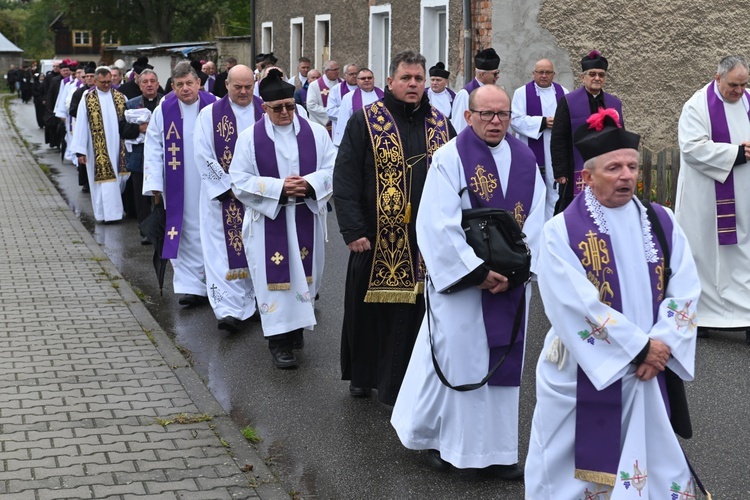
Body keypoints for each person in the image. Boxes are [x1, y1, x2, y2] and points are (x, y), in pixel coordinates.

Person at [525, 108, 701, 499]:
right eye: (614, 167)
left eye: (632, 166)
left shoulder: (663, 221)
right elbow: (573, 304)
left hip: (649, 369)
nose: (626, 175)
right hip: (587, 368)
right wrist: (639, 348)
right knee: (570, 474)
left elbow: (685, 288)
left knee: (651, 465)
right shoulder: (559, 232)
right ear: (586, 177)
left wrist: (661, 346)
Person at [391, 84, 545, 478]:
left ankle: (499, 452)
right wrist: (476, 273)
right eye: (487, 114)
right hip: (465, 288)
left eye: (503, 115)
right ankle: (453, 449)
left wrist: (520, 271)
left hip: (508, 286)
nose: (496, 122)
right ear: (468, 116)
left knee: (503, 365)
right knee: (462, 362)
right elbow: (437, 224)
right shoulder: (448, 159)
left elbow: (540, 221)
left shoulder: (526, 160)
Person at [334, 49, 454, 403]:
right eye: (406, 78)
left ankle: (404, 382)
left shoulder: (441, 124)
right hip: (374, 237)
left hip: (425, 242)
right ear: (391, 81)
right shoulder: (365, 120)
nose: (413, 84)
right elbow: (345, 178)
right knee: (368, 314)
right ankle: (363, 375)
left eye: (419, 78)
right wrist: (353, 230)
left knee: (415, 316)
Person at [230, 69, 336, 368]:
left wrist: (310, 184)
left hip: (305, 216)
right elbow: (238, 181)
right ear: (264, 108)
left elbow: (332, 167)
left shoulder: (315, 133)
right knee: (275, 283)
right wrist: (278, 188)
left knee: (305, 278)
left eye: (290, 106)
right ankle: (279, 342)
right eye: (278, 108)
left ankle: (297, 329)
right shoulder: (250, 138)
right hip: (269, 222)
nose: (286, 112)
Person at [677, 55, 750, 343]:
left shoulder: (748, 100)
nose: (739, 91)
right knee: (704, 254)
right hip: (706, 198)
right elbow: (691, 148)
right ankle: (704, 316)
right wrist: (737, 154)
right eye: (734, 84)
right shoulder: (696, 106)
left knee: (743, 252)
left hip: (744, 196)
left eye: (744, 84)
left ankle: (745, 315)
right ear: (717, 78)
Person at [193, 64, 265, 332]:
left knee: (258, 250)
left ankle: (257, 303)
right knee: (223, 252)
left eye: (249, 86)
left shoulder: (265, 110)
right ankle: (229, 310)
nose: (244, 91)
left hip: (259, 197)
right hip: (224, 197)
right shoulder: (209, 114)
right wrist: (228, 187)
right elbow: (202, 153)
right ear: (227, 85)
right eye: (238, 87)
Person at [143, 61, 217, 308]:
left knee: (213, 229)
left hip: (212, 181)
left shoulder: (216, 105)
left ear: (199, 83)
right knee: (181, 231)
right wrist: (154, 182)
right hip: (179, 183)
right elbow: (153, 147)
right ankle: (191, 287)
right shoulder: (164, 110)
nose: (185, 89)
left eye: (189, 83)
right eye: (179, 85)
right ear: (172, 88)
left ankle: (216, 284)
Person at [550, 50, 623, 211]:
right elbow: (558, 138)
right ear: (583, 77)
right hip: (573, 168)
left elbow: (620, 138)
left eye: (601, 75)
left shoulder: (614, 104)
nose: (597, 78)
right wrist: (560, 171)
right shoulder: (568, 102)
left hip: (605, 169)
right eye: (592, 74)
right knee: (573, 212)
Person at [511, 58, 569, 220]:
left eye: (548, 72)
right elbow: (515, 121)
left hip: (556, 152)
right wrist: (543, 122)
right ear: (533, 73)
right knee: (534, 193)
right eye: (540, 72)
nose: (544, 75)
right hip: (531, 151)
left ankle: (552, 228)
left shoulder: (564, 93)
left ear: (553, 74)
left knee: (554, 192)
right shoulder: (521, 93)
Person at [71, 66, 129, 222]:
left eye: (109, 81)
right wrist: (80, 151)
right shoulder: (88, 99)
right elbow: (81, 125)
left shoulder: (120, 97)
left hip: (118, 146)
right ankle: (103, 214)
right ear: (95, 81)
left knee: (117, 180)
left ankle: (117, 213)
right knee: (102, 183)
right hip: (95, 148)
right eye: (103, 82)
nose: (106, 85)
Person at [119, 68, 163, 241]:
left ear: (158, 84)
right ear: (139, 85)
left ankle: (163, 229)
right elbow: (122, 129)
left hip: (162, 157)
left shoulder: (165, 102)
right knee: (141, 197)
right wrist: (139, 128)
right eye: (145, 82)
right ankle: (146, 231)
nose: (149, 85)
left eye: (152, 81)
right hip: (139, 158)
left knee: (162, 194)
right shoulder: (131, 105)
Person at [451, 48, 500, 133]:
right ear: (482, 74)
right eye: (495, 74)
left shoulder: (495, 92)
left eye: (498, 73)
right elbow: (459, 128)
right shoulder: (465, 95)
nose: (497, 77)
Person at [331, 68, 383, 147]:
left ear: (374, 79)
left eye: (369, 78)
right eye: (363, 78)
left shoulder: (384, 94)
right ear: (357, 81)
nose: (366, 80)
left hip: (381, 138)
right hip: (359, 140)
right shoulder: (348, 98)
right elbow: (343, 121)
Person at [69, 63, 97, 193]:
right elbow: (72, 109)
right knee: (84, 153)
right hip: (84, 127)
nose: (90, 79)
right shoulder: (79, 93)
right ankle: (85, 182)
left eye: (92, 76)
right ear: (84, 78)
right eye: (87, 76)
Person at [306, 60, 341, 131]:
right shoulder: (314, 85)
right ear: (326, 71)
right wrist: (332, 112)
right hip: (321, 125)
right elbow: (311, 105)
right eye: (334, 70)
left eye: (338, 69)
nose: (337, 72)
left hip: (339, 124)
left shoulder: (343, 84)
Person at [326, 63, 358, 136]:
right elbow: (330, 111)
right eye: (351, 74)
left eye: (356, 73)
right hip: (342, 129)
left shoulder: (363, 88)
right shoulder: (336, 89)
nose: (355, 76)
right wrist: (349, 112)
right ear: (345, 75)